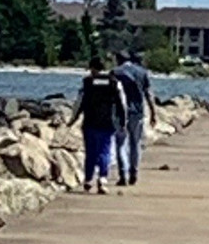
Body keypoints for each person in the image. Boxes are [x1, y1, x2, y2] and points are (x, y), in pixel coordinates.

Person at [68, 56, 128, 194]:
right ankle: (102, 178)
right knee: (105, 151)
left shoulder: (87, 82)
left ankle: (88, 179)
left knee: (90, 152)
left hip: (90, 121)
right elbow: (121, 103)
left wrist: (73, 119)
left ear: (93, 68)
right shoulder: (114, 82)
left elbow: (79, 102)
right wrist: (123, 121)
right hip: (108, 122)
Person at [112, 51, 158, 186]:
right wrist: (153, 112)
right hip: (137, 112)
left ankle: (122, 174)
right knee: (135, 143)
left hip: (120, 113)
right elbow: (149, 94)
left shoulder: (115, 72)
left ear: (118, 59)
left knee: (120, 144)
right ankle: (134, 172)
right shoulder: (142, 73)